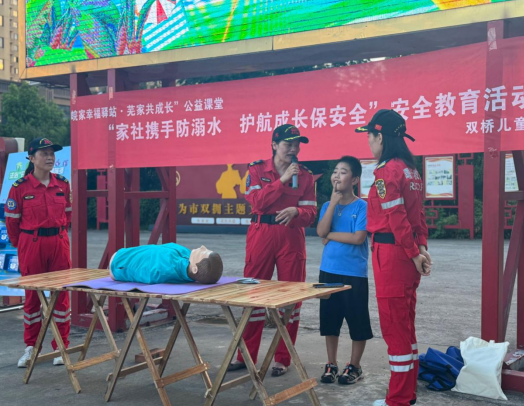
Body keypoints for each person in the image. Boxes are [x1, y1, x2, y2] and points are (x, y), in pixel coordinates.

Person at [355, 110, 432, 406]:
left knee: (395, 327)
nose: (368, 141)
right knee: (406, 325)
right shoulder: (411, 170)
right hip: (406, 255)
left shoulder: (387, 171)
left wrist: (414, 253)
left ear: (380, 137)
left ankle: (398, 399)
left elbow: (396, 217)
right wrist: (420, 248)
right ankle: (407, 394)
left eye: (370, 136)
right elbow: (418, 215)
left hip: (392, 255)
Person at [228, 124, 317, 376]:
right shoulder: (256, 170)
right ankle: (245, 356)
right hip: (262, 234)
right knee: (253, 294)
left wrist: (297, 211)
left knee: (291, 297)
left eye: (297, 144)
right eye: (288, 144)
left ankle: (282, 358)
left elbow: (311, 213)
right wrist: (283, 180)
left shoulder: (306, 175)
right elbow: (256, 202)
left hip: (291, 236)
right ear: (274, 145)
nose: (294, 149)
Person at [4, 138, 72, 368]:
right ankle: (31, 347)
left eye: (52, 153)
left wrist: (57, 234)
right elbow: (12, 222)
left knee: (60, 294)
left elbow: (68, 214)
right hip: (31, 243)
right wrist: (23, 245)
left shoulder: (62, 184)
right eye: (44, 153)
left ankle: (61, 346)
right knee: (33, 296)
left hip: (58, 243)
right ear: (32, 158)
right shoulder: (20, 187)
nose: (50, 157)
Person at [316, 156, 372, 385]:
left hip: (354, 273)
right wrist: (332, 203)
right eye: (335, 171)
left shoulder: (362, 206)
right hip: (328, 271)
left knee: (357, 321)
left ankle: (355, 366)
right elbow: (320, 231)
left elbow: (358, 238)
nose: (337, 176)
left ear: (355, 179)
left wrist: (329, 235)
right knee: (330, 320)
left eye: (343, 172)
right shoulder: (327, 206)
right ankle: (331, 363)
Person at [109, 243, 223, 285]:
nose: (202, 247)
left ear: (194, 269)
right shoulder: (187, 257)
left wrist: (117, 268)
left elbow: (141, 271)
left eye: (202, 253)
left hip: (118, 263)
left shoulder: (164, 270)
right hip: (125, 255)